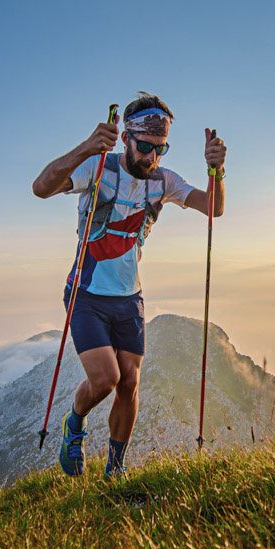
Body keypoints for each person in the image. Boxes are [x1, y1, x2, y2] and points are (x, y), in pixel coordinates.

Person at [31, 92, 227, 478]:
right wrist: (87, 147)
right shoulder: (97, 167)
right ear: (125, 139)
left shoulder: (163, 181)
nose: (152, 157)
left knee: (130, 382)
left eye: (160, 149)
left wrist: (217, 172)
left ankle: (114, 471)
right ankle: (75, 424)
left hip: (129, 298)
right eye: (145, 147)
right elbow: (41, 187)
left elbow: (214, 208)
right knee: (105, 380)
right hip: (86, 294)